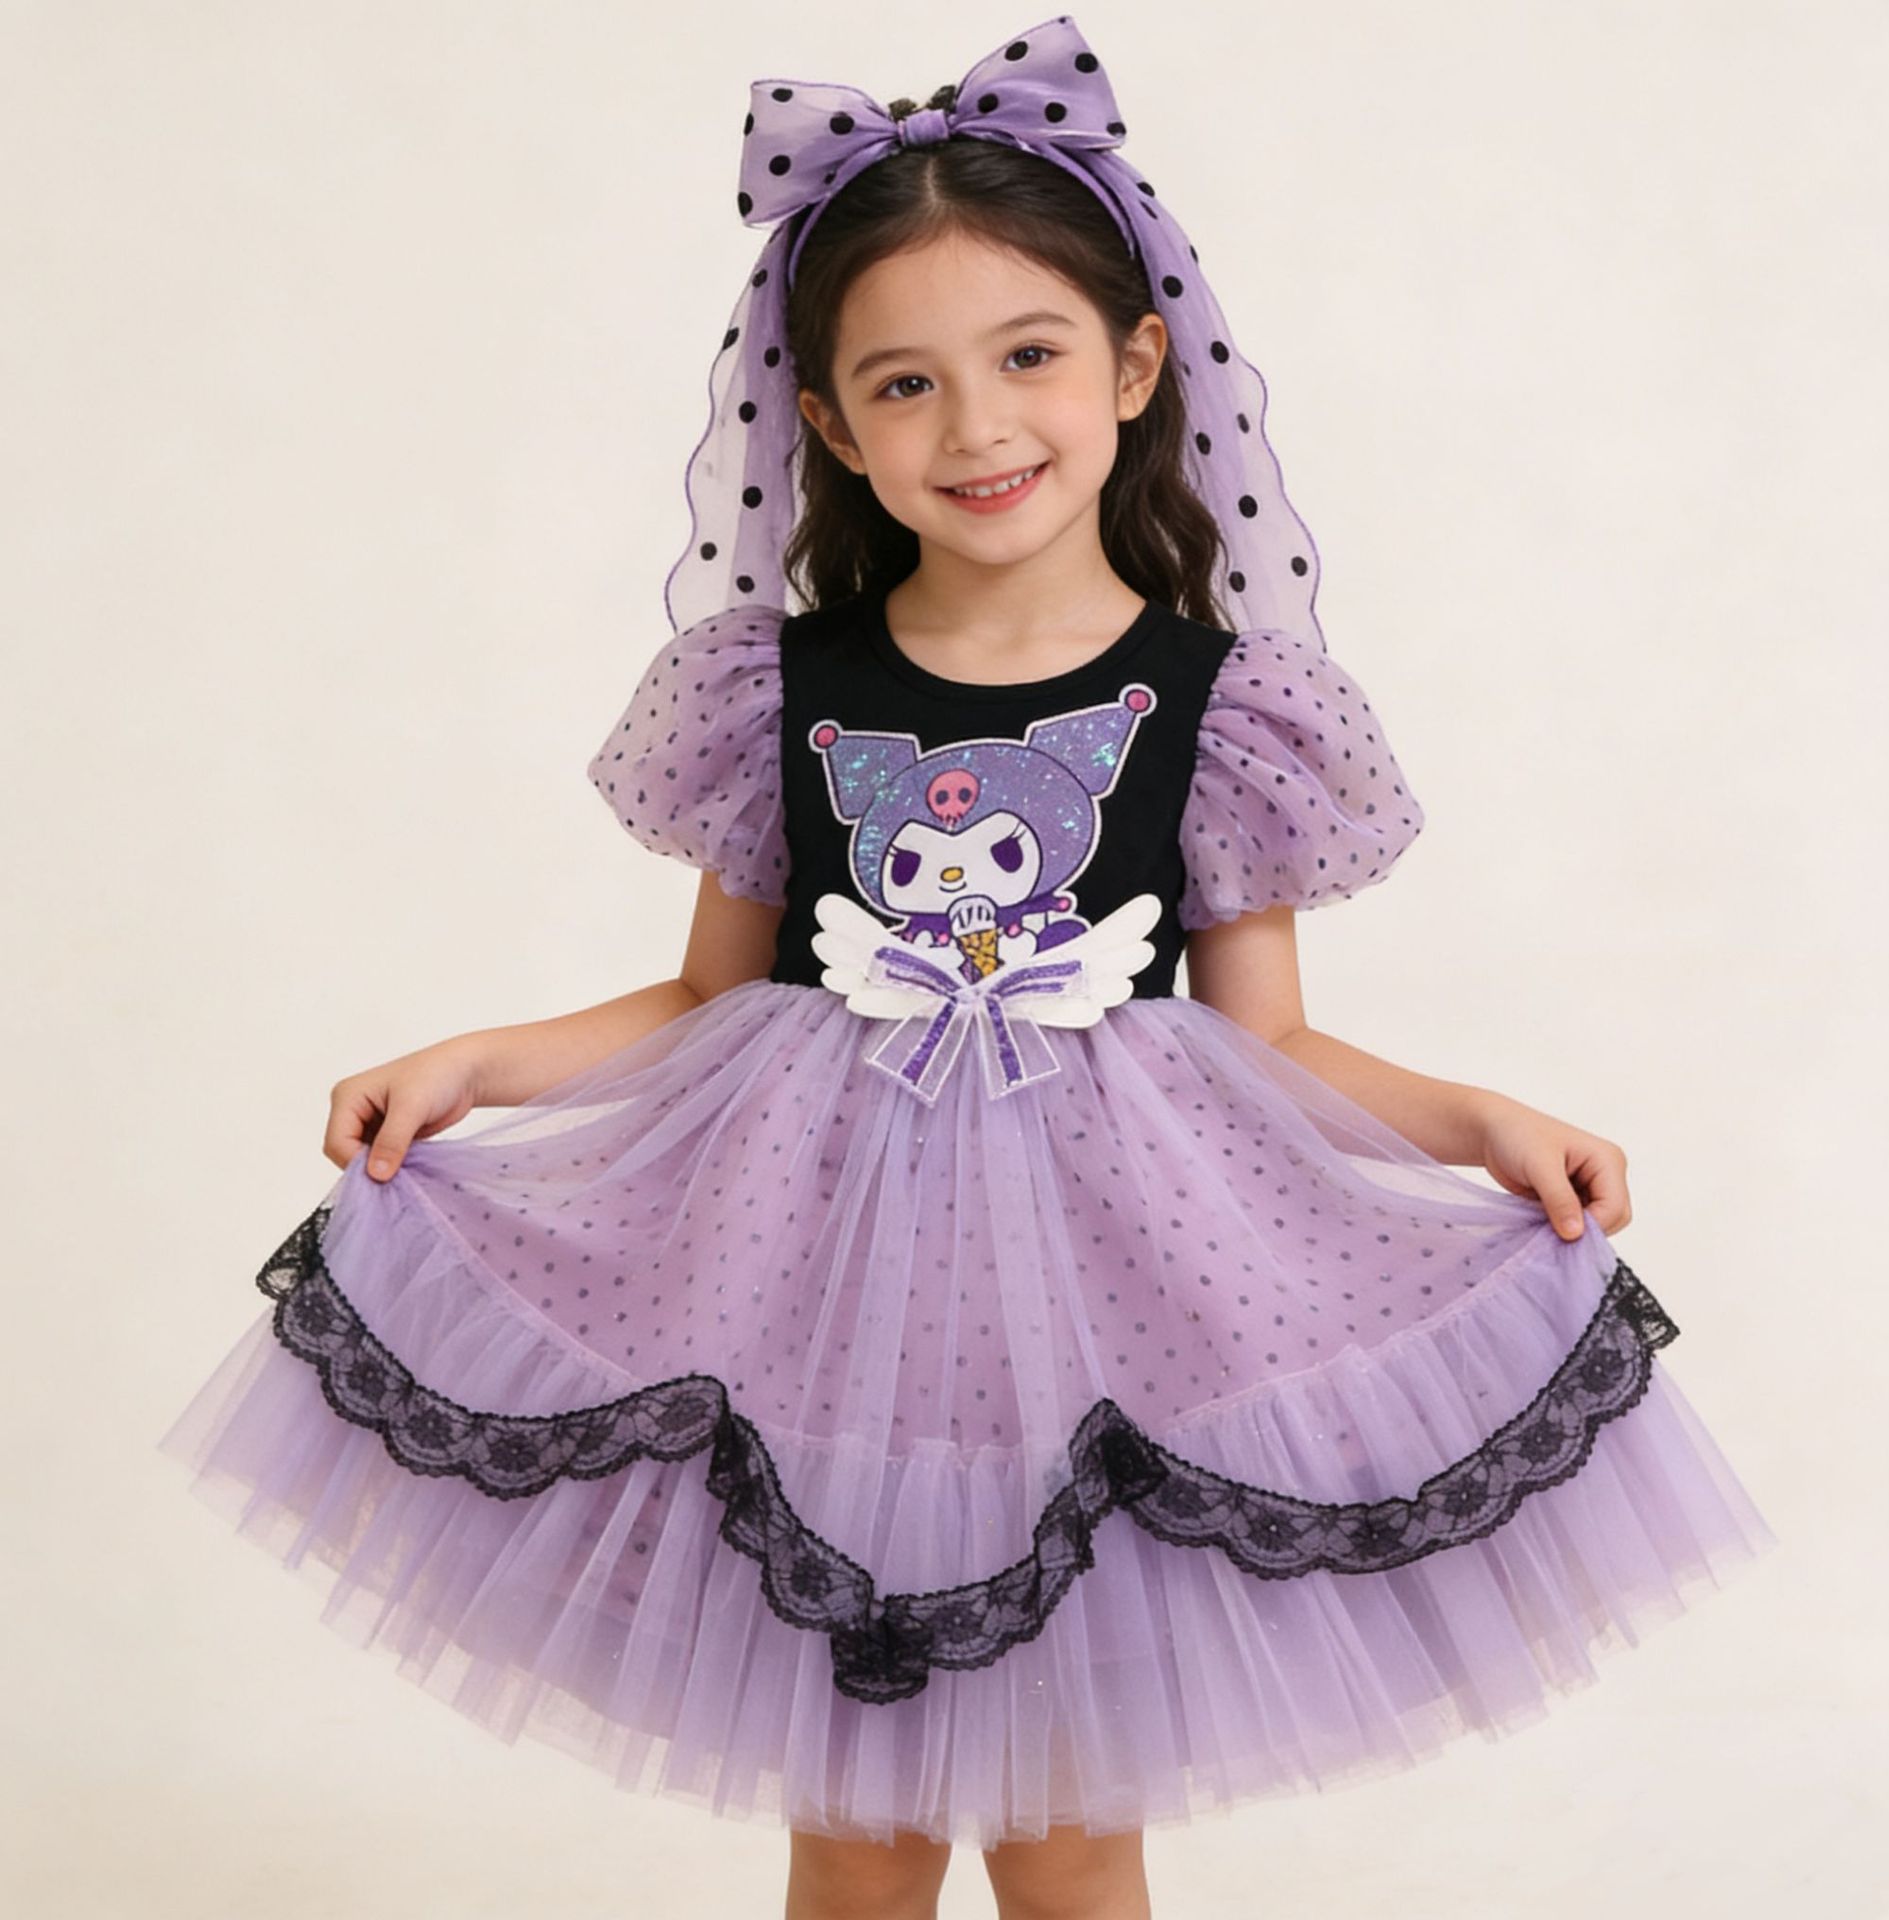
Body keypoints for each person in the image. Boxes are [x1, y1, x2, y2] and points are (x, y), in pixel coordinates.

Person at [157, 17, 1778, 1919]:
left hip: (1105, 1314)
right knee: (853, 1831)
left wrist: (1473, 1121)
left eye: (1026, 358)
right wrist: (478, 1064)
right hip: (815, 1303)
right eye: (905, 384)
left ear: (1133, 366)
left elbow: (1269, 1041)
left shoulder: (1219, 705)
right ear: (834, 426)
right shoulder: (780, 684)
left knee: (1070, 1836)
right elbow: (705, 999)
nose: (978, 426)